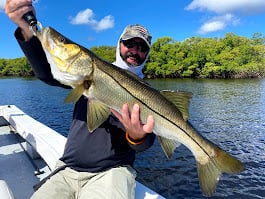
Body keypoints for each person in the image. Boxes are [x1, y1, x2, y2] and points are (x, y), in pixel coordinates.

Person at [5, 1, 156, 199]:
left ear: (147, 53)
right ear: (119, 44)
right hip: (67, 169)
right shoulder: (85, 75)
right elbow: (46, 73)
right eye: (129, 43)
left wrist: (138, 137)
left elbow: (147, 141)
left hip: (111, 173)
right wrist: (26, 28)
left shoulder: (150, 93)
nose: (134, 51)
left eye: (141, 47)